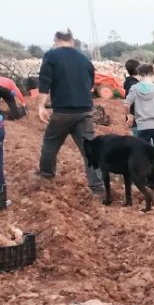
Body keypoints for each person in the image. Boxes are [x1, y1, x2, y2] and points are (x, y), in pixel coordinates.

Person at [36, 30, 104, 195]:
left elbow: (45, 82)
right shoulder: (85, 59)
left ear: (56, 40)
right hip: (85, 110)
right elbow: (90, 86)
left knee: (51, 144)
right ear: (72, 42)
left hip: (63, 111)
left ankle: (46, 177)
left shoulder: (51, 56)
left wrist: (41, 106)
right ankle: (98, 189)